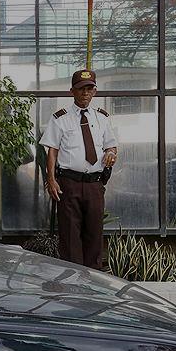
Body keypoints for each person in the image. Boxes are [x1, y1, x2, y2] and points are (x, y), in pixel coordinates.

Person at [40, 69, 119, 270]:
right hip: (69, 184)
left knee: (94, 233)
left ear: (95, 91)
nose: (85, 93)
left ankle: (93, 277)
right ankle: (72, 278)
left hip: (94, 185)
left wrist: (111, 154)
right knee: (69, 235)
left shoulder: (102, 118)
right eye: (81, 89)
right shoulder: (60, 118)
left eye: (89, 88)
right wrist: (51, 179)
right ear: (72, 92)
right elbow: (52, 151)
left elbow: (111, 145)